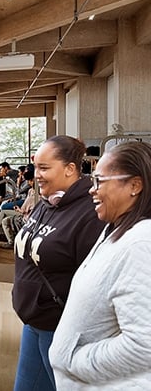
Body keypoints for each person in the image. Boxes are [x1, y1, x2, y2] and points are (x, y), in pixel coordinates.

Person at [50, 142, 151, 389]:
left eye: (99, 182)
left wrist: (72, 360)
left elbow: (143, 344)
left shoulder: (140, 243)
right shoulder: (114, 229)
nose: (91, 191)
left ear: (135, 186)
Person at [12, 135, 105, 391]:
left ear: (70, 169)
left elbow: (93, 280)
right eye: (35, 168)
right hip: (33, 323)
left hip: (61, 328)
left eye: (44, 168)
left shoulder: (89, 213)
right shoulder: (47, 201)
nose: (37, 175)